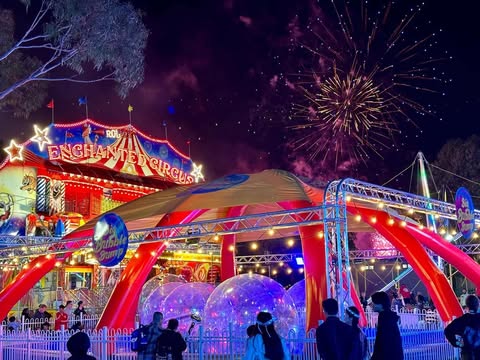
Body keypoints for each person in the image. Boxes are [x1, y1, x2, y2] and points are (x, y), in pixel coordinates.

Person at [444, 294, 480, 360]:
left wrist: (456, 343)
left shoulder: (462, 320)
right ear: (478, 305)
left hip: (467, 355)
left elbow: (448, 330)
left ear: (467, 307)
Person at [371, 291, 403, 360]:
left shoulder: (385, 320)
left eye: (374, 302)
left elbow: (384, 343)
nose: (372, 305)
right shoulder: (387, 318)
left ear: (381, 304)